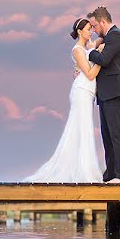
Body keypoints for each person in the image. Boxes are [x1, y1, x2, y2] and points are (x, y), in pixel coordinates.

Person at [22, 18, 104, 183]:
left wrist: (98, 33)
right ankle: (82, 172)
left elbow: (101, 39)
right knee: (80, 128)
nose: (91, 31)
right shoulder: (77, 50)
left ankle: (85, 168)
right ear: (80, 31)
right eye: (88, 29)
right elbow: (89, 74)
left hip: (88, 92)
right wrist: (102, 58)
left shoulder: (87, 47)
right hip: (81, 90)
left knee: (85, 129)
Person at [86, 6, 120, 183]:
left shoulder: (116, 36)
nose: (93, 31)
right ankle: (111, 173)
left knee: (117, 135)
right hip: (107, 94)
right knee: (107, 136)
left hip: (116, 92)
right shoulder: (109, 38)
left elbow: (104, 60)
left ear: (103, 22)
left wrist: (89, 50)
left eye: (94, 26)